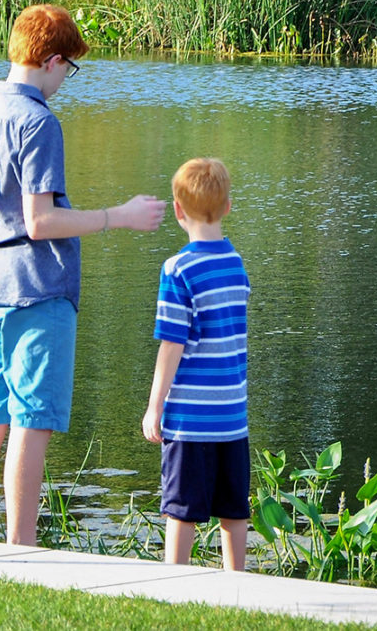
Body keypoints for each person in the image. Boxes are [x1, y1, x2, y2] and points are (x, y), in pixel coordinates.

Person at [0, 4, 165, 544]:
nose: (67, 79)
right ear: (52, 60)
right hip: (38, 288)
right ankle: (21, 552)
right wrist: (120, 216)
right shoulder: (39, 121)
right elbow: (40, 221)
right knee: (31, 419)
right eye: (69, 68)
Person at [142, 157, 252, 569]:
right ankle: (236, 583)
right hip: (231, 417)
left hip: (190, 420)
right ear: (227, 207)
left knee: (181, 510)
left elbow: (172, 345)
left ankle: (175, 584)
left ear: (177, 210)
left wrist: (155, 406)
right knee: (233, 511)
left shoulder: (178, 269)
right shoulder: (235, 265)